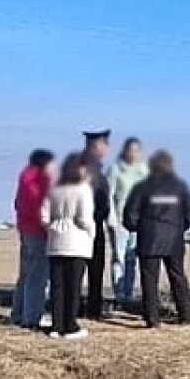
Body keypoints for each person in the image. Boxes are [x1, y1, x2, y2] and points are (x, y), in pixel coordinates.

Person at [123, 150, 190, 328]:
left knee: (149, 280)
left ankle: (152, 318)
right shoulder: (180, 187)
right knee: (178, 276)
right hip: (174, 239)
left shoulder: (142, 187)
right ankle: (186, 315)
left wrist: (139, 228)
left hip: (149, 239)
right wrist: (179, 228)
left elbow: (130, 216)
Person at [42, 153, 96, 340]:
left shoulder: (54, 189)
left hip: (56, 241)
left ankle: (56, 325)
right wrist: (91, 232)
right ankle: (70, 325)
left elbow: (43, 215)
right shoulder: (83, 190)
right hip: (77, 242)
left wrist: (53, 227)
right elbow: (84, 218)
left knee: (57, 285)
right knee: (73, 286)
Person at [11, 149, 57, 329]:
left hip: (25, 228)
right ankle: (31, 316)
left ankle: (18, 312)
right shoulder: (41, 180)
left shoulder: (24, 177)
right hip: (38, 231)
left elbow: (17, 203)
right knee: (37, 276)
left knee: (25, 274)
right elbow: (43, 205)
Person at [109, 136, 147, 303]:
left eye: (136, 150)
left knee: (132, 258)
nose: (133, 153)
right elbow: (109, 196)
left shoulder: (144, 170)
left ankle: (129, 292)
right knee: (119, 256)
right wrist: (111, 219)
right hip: (119, 221)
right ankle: (119, 293)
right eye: (131, 150)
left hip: (139, 222)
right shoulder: (115, 169)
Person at [80, 129, 113, 319]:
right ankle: (89, 309)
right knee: (88, 269)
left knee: (93, 269)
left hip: (91, 223)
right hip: (89, 224)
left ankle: (90, 307)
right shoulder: (88, 168)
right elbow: (100, 200)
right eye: (104, 144)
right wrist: (99, 215)